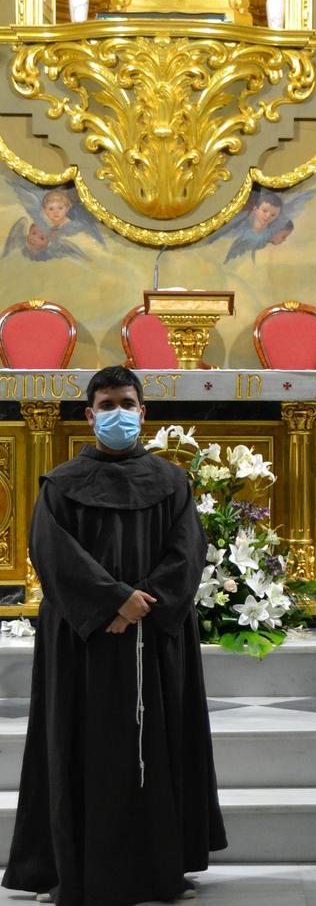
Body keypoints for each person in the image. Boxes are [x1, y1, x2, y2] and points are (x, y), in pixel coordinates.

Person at [2, 365, 227, 905]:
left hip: (154, 639)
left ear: (143, 412)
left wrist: (139, 603)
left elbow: (187, 552)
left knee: (156, 750)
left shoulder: (172, 482)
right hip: (84, 642)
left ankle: (159, 868)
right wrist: (112, 601)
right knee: (83, 748)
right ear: (89, 415)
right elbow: (51, 553)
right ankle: (73, 867)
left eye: (127, 404)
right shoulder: (61, 484)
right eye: (107, 405)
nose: (118, 414)